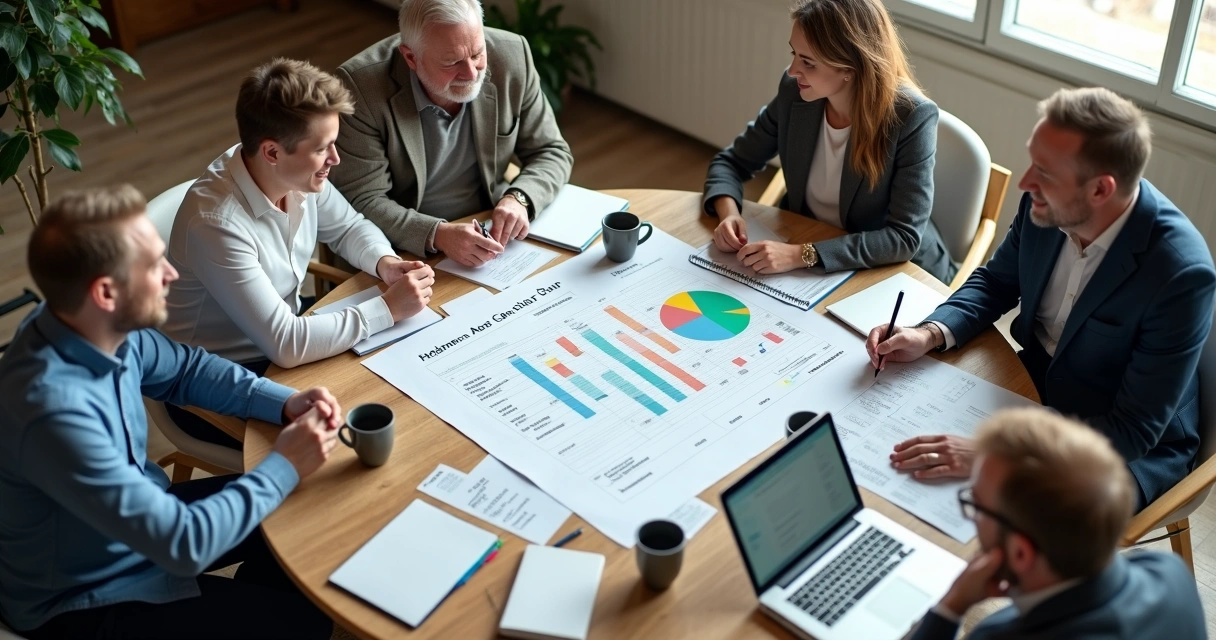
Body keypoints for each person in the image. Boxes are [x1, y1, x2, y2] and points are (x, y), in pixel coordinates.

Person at [0, 186, 340, 639]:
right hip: (84, 596)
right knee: (305, 620)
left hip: (142, 526)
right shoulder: (54, 415)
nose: (171, 274)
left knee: (308, 520)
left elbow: (185, 370)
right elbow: (184, 543)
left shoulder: (88, 321)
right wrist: (283, 464)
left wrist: (282, 401)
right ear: (105, 292)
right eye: (154, 265)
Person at [867, 87, 1216, 507]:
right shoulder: (1048, 204)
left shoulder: (1180, 274)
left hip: (1121, 445)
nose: (1025, 181)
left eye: (1045, 172)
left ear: (1100, 191)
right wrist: (928, 333)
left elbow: (1132, 432)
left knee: (1002, 513)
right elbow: (996, 282)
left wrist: (1005, 452)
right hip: (1031, 385)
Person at [164, 58, 434, 375]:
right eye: (322, 148)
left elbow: (349, 228)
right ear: (273, 153)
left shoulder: (294, 174)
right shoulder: (215, 225)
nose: (335, 159)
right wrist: (388, 308)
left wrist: (385, 264)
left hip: (290, 329)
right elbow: (286, 345)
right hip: (217, 375)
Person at [702, 0, 954, 283]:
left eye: (808, 62)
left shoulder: (911, 116)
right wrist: (729, 214)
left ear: (850, 67)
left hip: (893, 271)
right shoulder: (794, 92)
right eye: (794, 54)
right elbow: (731, 162)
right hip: (807, 245)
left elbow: (903, 238)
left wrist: (801, 255)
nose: (793, 70)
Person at [911, 408, 1204, 640]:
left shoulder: (997, 632)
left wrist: (951, 607)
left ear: (1021, 553)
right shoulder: (1169, 572)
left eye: (975, 505)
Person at [329, 0, 574, 266]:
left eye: (478, 54)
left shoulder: (512, 55)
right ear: (411, 57)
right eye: (452, 62)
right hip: (403, 250)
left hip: (493, 227)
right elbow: (363, 199)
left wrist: (519, 198)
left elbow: (551, 151)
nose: (470, 73)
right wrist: (438, 235)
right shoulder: (359, 89)